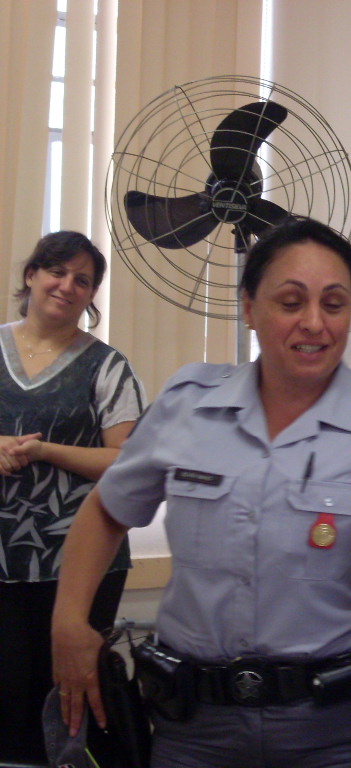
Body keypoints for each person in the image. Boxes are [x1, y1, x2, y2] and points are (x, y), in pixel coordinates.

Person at [51, 218, 351, 768]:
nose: (314, 323)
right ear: (249, 306)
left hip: (349, 732)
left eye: (334, 304)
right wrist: (68, 621)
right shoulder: (189, 404)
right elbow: (107, 509)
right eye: (291, 302)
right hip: (197, 730)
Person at [0, 231, 146, 765]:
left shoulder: (108, 367)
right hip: (4, 560)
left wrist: (44, 450)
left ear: (91, 296)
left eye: (82, 280)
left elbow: (127, 462)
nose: (67, 286)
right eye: (57, 272)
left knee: (67, 707)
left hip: (81, 567)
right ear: (31, 275)